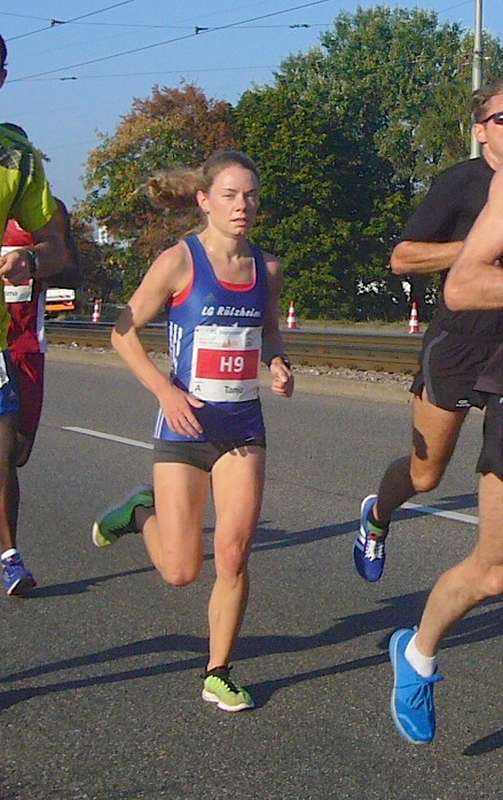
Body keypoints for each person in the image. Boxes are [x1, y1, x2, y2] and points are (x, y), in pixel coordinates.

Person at [92, 150, 294, 711]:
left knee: (232, 554)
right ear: (204, 201)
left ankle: (219, 670)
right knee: (182, 571)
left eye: (250, 195)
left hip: (242, 428)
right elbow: (122, 332)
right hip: (183, 428)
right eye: (230, 195)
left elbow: (270, 334)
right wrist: (164, 390)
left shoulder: (267, 269)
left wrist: (277, 365)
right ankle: (140, 512)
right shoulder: (179, 262)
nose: (242, 206)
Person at [354, 80, 503, 583]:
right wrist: (477, 249)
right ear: (481, 131)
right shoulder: (461, 183)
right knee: (426, 474)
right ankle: (377, 516)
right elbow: (402, 259)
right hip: (462, 343)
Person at [387, 165, 503, 744]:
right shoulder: (481, 185)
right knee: (493, 569)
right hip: (463, 345)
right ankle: (417, 652)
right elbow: (458, 285)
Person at [0, 37, 68, 596]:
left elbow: (56, 248)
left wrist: (29, 259)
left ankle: (7, 554)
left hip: (13, 339)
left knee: (9, 447)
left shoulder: (17, 160)